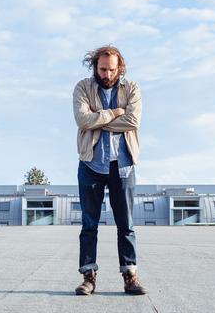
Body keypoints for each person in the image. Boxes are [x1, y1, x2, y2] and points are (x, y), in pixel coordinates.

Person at [72, 45, 146, 295]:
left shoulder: (132, 88)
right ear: (95, 66)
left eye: (111, 69)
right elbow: (83, 120)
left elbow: (133, 121)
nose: (106, 74)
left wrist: (98, 120)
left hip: (122, 165)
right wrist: (115, 113)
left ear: (119, 68)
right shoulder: (83, 88)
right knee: (89, 225)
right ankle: (88, 277)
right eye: (102, 69)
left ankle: (130, 276)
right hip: (91, 164)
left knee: (126, 225)